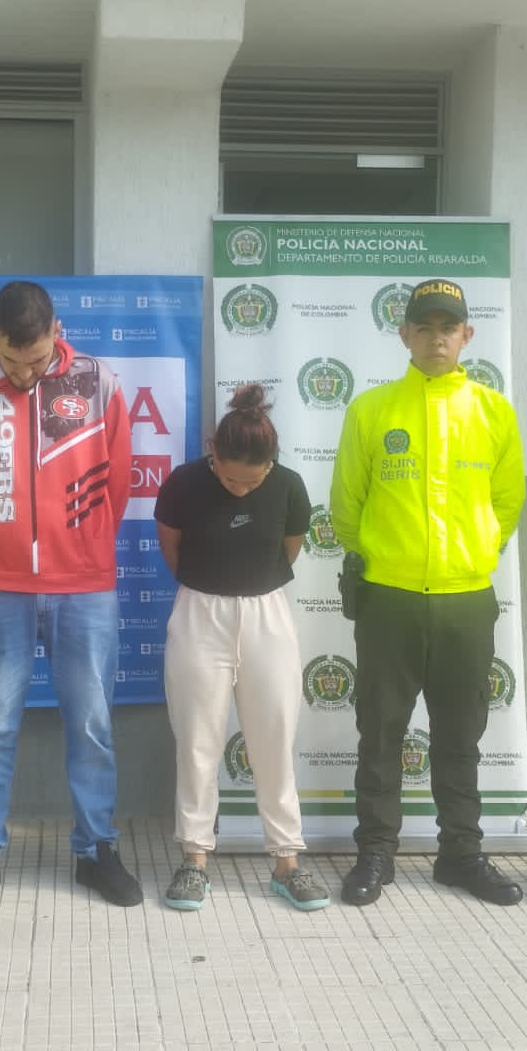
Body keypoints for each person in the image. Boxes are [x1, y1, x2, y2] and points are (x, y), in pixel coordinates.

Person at [0, 280, 141, 912]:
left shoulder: (97, 380)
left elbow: (118, 480)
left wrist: (82, 544)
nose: (24, 374)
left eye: (37, 360)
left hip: (83, 583)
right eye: (12, 361)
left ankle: (97, 850)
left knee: (93, 723)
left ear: (57, 331)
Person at [330, 277, 526, 908]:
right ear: (404, 335)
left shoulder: (494, 412)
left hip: (466, 598)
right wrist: (390, 557)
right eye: (424, 327)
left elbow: (507, 504)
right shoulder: (371, 410)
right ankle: (375, 853)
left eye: (448, 328)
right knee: (380, 733)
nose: (436, 338)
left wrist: (471, 554)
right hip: (388, 598)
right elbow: (346, 507)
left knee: (460, 736)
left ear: (467, 335)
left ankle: (461, 854)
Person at [154, 384, 329, 912]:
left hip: (266, 614)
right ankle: (194, 859)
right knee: (197, 742)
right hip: (199, 612)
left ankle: (287, 861)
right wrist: (213, 586)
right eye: (231, 479)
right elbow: (172, 549)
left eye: (253, 481)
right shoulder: (183, 483)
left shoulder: (289, 486)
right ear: (214, 453)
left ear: (271, 464)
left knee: (273, 738)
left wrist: (248, 589)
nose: (240, 489)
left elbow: (288, 551)